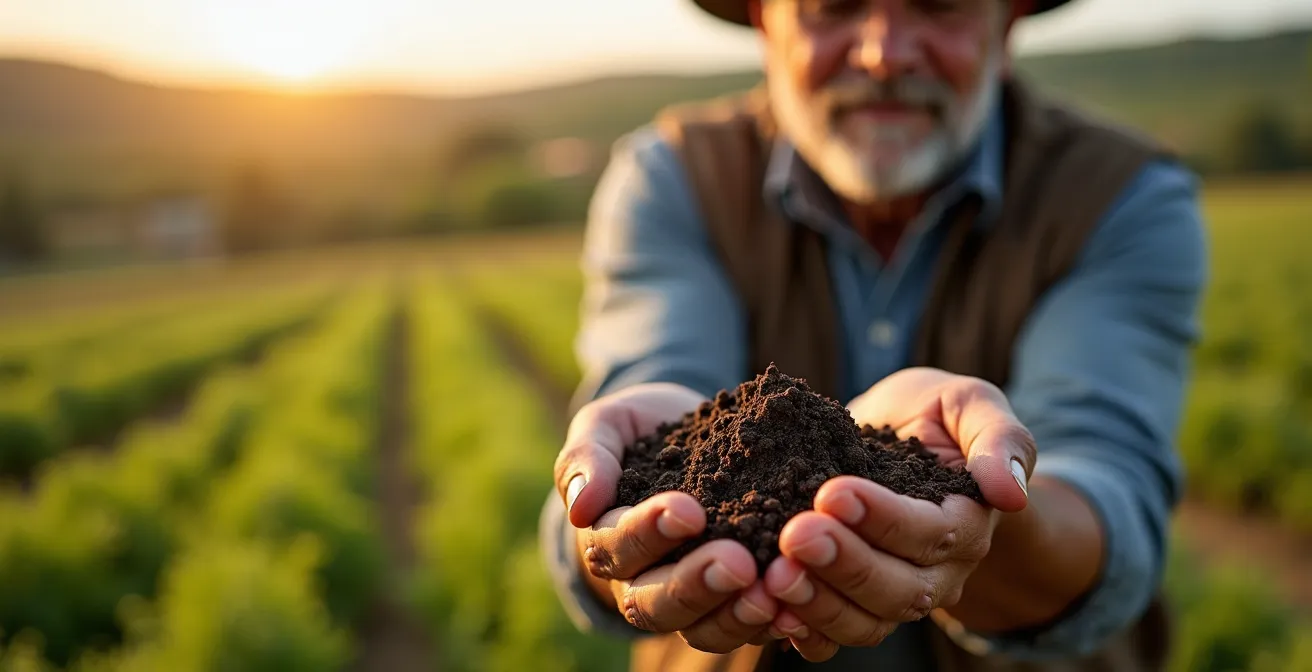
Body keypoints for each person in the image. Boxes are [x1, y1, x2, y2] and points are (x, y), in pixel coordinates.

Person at [539, 0, 1207, 669]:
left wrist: (983, 511)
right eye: (832, 8)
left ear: (1005, 29)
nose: (884, 55)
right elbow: (647, 414)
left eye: (939, 6)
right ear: (766, 25)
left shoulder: (1118, 196)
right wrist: (615, 506)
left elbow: (1107, 485)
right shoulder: (675, 179)